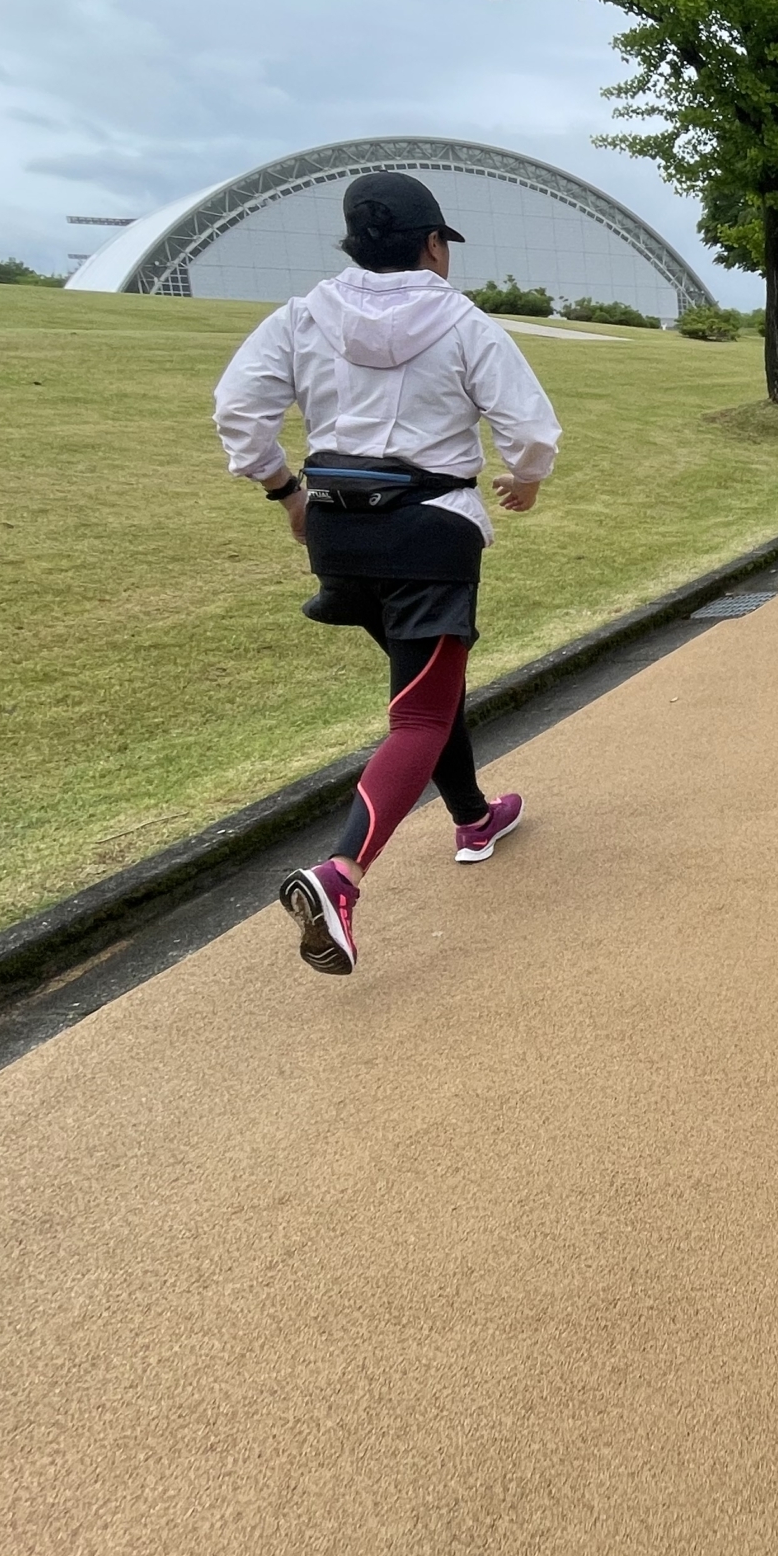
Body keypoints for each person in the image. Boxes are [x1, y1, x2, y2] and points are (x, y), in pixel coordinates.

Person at [213, 171, 563, 975]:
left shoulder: (301, 317)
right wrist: (529, 478)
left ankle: (474, 817)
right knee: (419, 715)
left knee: (427, 687)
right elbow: (531, 430)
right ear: (433, 245)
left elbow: (238, 411)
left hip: (336, 529)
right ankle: (339, 875)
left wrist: (284, 491)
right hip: (430, 530)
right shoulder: (463, 322)